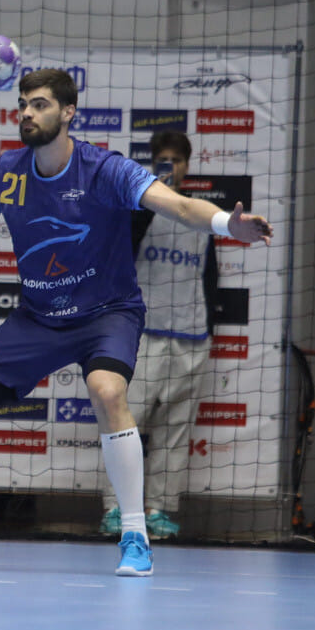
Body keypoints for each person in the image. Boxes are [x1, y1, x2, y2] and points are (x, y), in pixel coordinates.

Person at [0, 66, 272, 577]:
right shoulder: (9, 171)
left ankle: (135, 534)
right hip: (38, 317)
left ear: (68, 113)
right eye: (23, 104)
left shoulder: (104, 169)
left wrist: (226, 224)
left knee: (108, 392)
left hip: (107, 313)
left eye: (39, 104)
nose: (27, 113)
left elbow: (175, 205)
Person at [96, 128, 217, 540]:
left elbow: (209, 277)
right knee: (125, 424)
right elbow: (122, 250)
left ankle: (159, 509)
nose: (171, 167)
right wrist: (151, 200)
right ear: (152, 164)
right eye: (163, 161)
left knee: (176, 431)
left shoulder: (201, 213)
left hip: (191, 336)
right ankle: (116, 508)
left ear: (188, 166)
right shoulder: (134, 210)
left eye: (177, 161)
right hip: (143, 334)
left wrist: (208, 327)